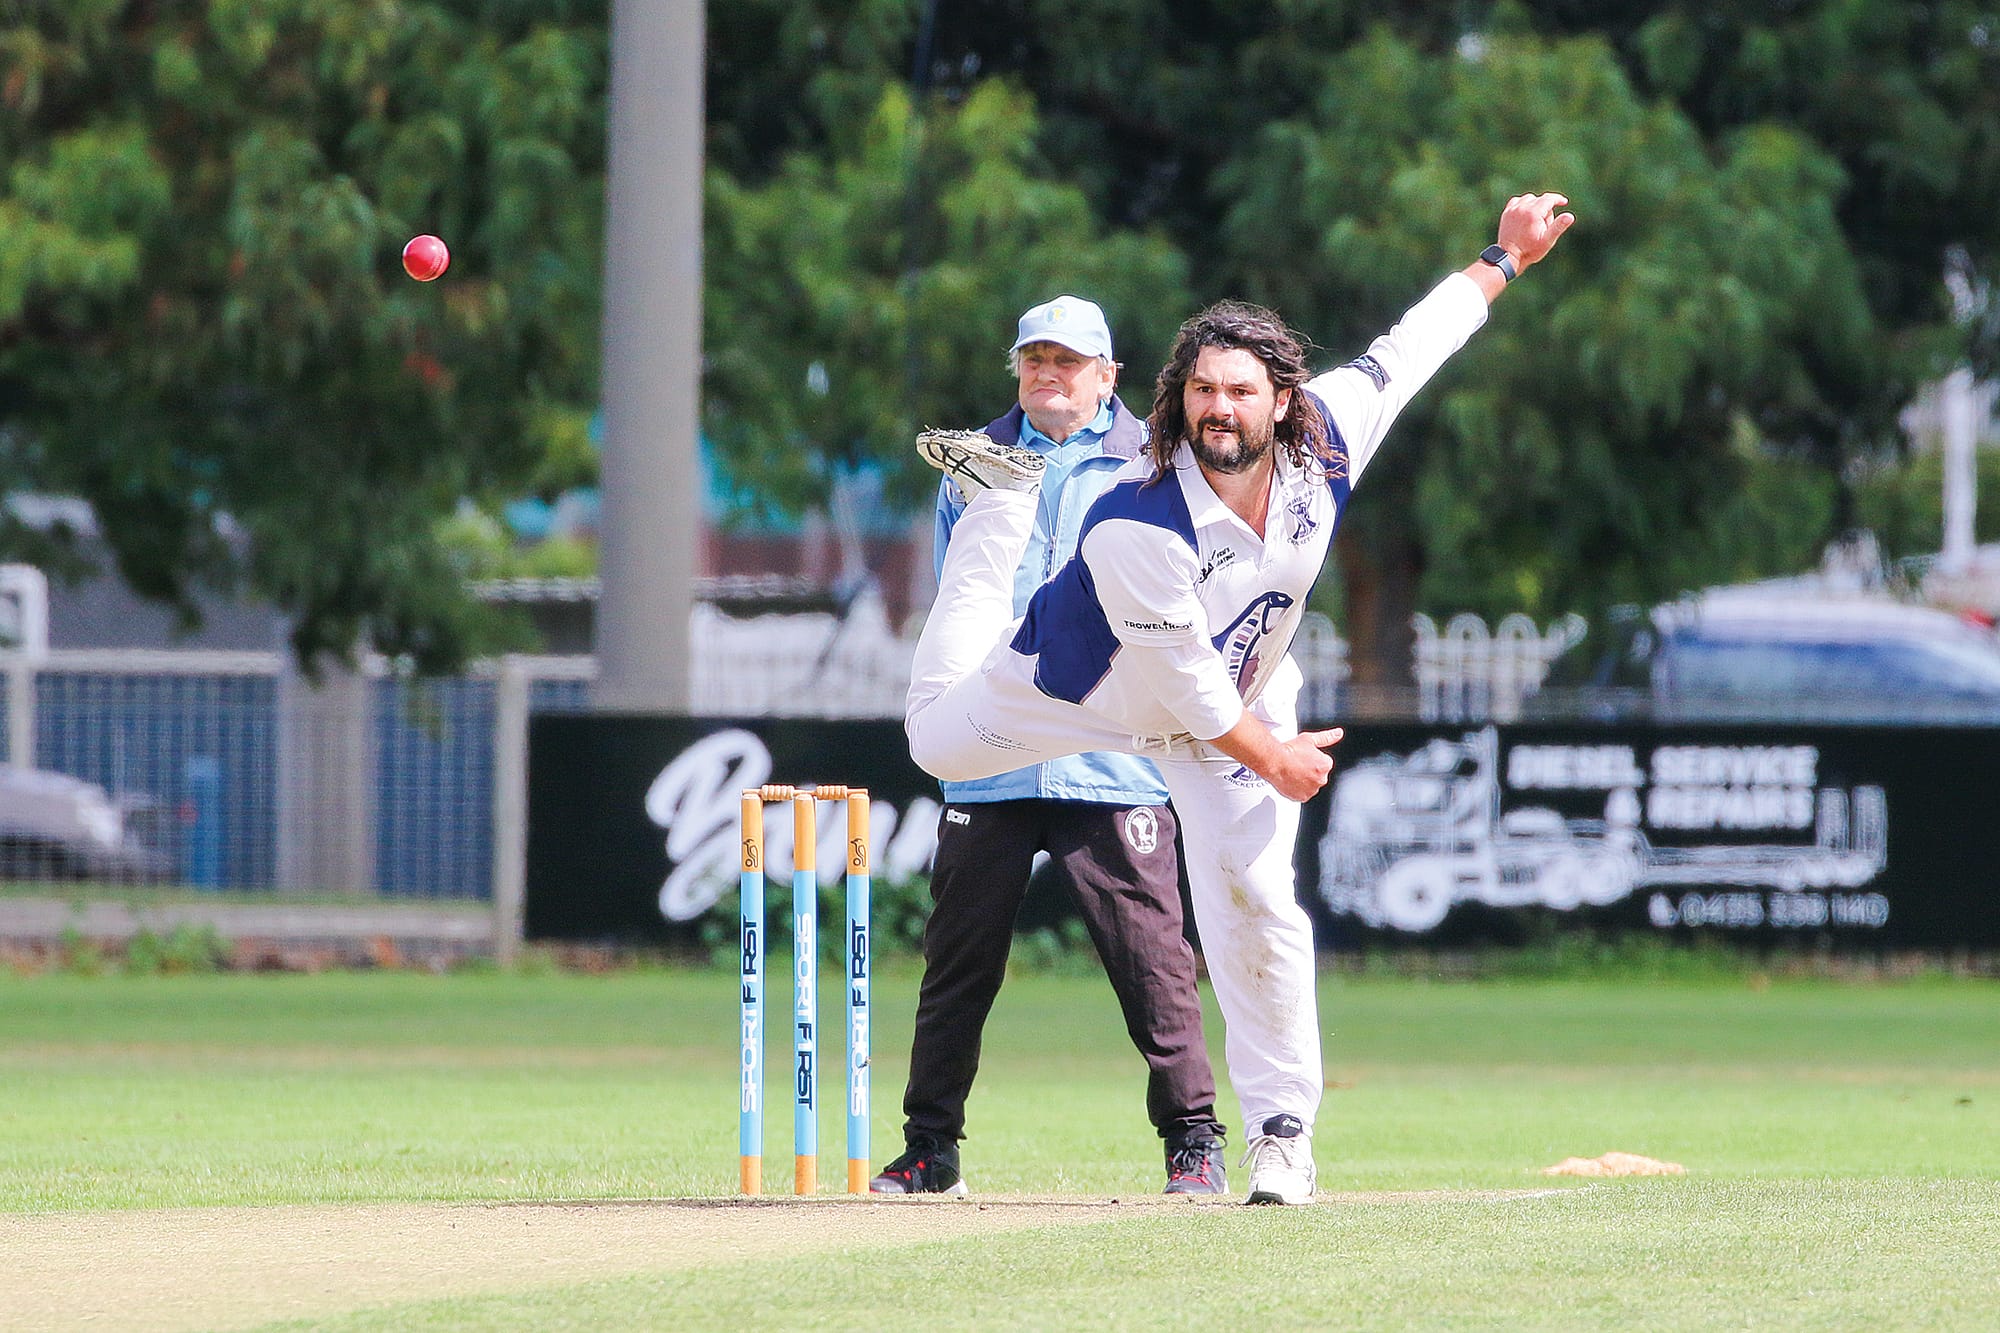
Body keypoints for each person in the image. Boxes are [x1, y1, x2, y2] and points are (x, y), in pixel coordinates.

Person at [901, 194, 1575, 1204]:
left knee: (1256, 903)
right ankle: (1001, 503)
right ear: (1175, 404)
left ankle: (1279, 1136)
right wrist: (1279, 758)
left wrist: (1504, 258)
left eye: (1239, 391)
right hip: (1075, 688)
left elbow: (1415, 341)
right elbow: (1186, 687)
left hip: (1229, 703)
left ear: (1278, 401)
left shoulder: (1329, 439)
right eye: (1203, 392)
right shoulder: (1139, 521)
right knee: (931, 743)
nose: (1220, 408)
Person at [870, 296, 1229, 1198]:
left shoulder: (1155, 461)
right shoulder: (974, 462)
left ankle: (1194, 1142)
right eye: (1034, 358)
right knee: (957, 963)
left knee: (1154, 961)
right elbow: (960, 592)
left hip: (1111, 747)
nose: (1047, 374)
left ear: (1109, 376)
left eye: (1068, 361)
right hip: (992, 744)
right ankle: (929, 1149)